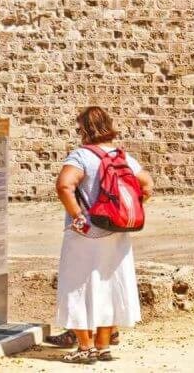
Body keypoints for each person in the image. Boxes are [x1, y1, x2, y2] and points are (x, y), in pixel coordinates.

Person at [54, 106, 154, 363]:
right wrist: (124, 209)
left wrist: (78, 216)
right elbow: (147, 184)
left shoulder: (80, 156)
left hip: (86, 233)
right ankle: (103, 345)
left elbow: (65, 185)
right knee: (109, 286)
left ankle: (85, 348)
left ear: (84, 129)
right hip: (117, 231)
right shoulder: (122, 157)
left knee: (75, 287)